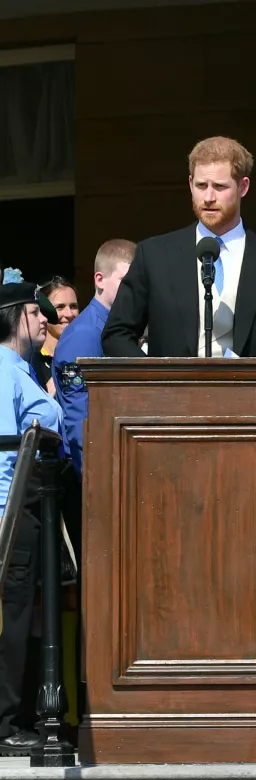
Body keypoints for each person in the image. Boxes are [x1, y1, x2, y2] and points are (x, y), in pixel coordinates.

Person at [101, 136, 256, 358]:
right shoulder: (154, 256)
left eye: (220, 187)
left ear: (243, 187)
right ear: (190, 184)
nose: (208, 197)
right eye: (201, 186)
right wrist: (155, 380)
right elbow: (116, 334)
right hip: (171, 391)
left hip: (250, 392)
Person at [0, 268, 64, 755]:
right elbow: (5, 452)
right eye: (35, 312)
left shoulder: (23, 370)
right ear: (13, 317)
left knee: (23, 615)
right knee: (12, 618)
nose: (44, 319)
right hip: (12, 510)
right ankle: (5, 721)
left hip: (28, 509)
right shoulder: (3, 371)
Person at [52, 240, 135, 476]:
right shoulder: (84, 334)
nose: (134, 289)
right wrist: (97, 481)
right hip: (94, 472)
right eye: (125, 281)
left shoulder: (119, 326)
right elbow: (81, 420)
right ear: (99, 280)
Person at [36, 276, 79, 394]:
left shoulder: (85, 352)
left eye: (73, 306)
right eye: (60, 307)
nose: (69, 314)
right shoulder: (32, 360)